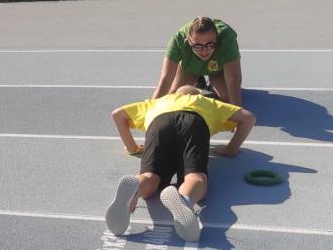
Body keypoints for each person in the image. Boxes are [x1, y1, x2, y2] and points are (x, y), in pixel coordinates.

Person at [106, 86, 256, 241]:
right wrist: (230, 150)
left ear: (174, 94)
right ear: (198, 95)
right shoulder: (205, 102)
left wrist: (132, 148)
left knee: (150, 176)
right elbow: (249, 117)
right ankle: (184, 199)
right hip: (193, 122)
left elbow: (117, 114)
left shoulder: (156, 103)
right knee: (195, 177)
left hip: (159, 123)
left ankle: (135, 189)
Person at [151, 16, 242, 106]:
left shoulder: (227, 38)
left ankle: (211, 87)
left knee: (226, 98)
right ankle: (198, 82)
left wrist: (236, 109)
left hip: (218, 69)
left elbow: (233, 79)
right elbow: (166, 79)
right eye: (197, 46)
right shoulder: (178, 39)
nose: (204, 52)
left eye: (210, 45)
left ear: (216, 39)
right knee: (175, 96)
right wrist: (151, 108)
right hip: (190, 67)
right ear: (188, 41)